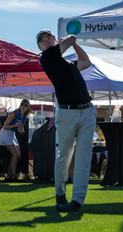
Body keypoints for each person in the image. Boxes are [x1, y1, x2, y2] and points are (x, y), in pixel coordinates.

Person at [37, 29, 96, 212]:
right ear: (40, 46)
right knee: (65, 156)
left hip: (87, 112)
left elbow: (86, 62)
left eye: (49, 38)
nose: (46, 41)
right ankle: (60, 193)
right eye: (42, 40)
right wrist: (68, 39)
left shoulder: (69, 63)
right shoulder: (46, 58)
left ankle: (78, 200)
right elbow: (70, 39)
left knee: (83, 158)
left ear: (54, 39)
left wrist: (75, 44)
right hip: (67, 113)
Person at [0, 99, 31, 181]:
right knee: (16, 155)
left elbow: (19, 128)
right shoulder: (13, 113)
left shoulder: (24, 117)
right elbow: (5, 126)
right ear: (20, 105)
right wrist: (15, 125)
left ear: (28, 108)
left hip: (12, 135)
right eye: (22, 104)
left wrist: (21, 129)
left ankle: (9, 176)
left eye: (25, 105)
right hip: (5, 134)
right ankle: (13, 175)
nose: (23, 106)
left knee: (17, 155)